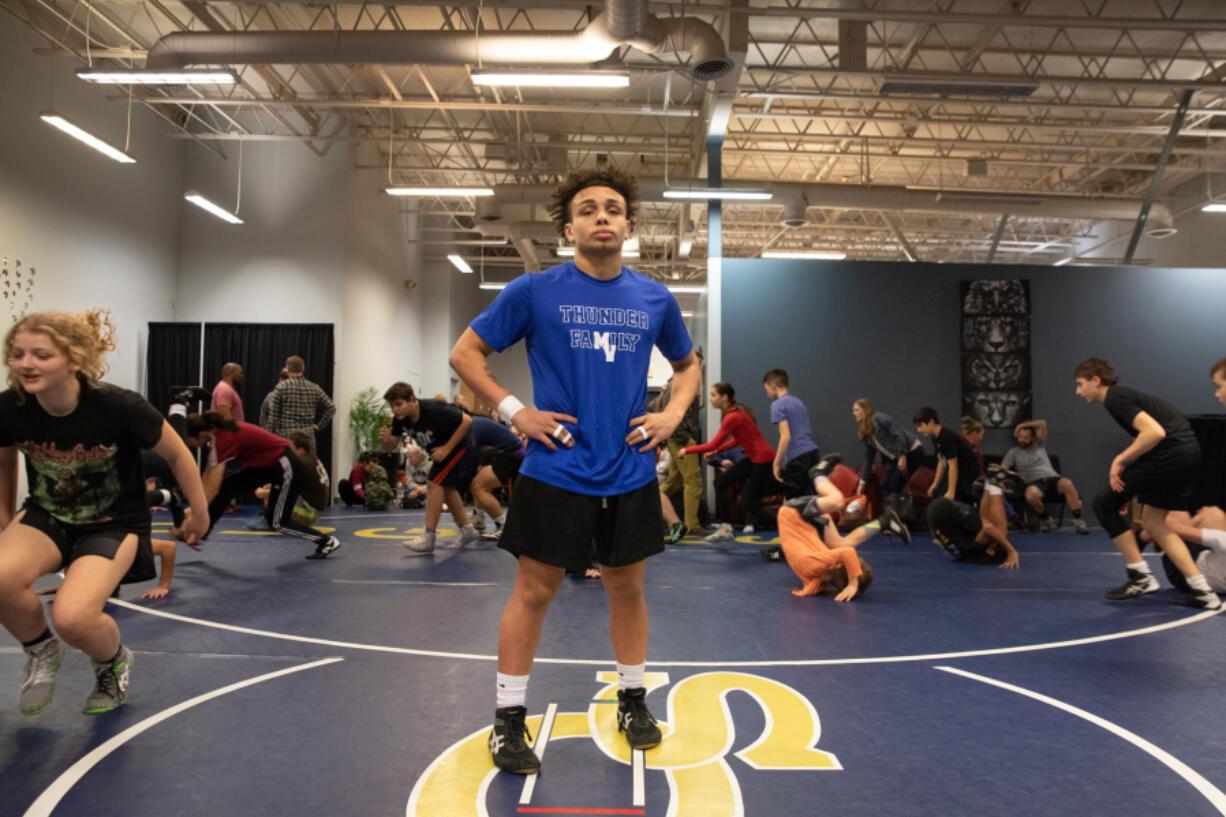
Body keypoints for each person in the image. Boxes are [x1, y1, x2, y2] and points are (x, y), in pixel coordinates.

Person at [449, 166, 700, 775]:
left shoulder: (654, 297)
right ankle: (509, 719)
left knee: (627, 589)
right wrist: (515, 412)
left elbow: (688, 366)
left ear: (629, 227)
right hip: (555, 469)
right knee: (534, 592)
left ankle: (633, 702)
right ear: (569, 229)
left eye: (613, 208)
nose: (602, 217)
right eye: (588, 209)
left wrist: (670, 415)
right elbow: (465, 354)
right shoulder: (536, 291)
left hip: (629, 471)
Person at [0, 310, 209, 716]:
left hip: (113, 523)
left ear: (75, 360)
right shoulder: (11, 407)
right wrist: (5, 515)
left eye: (41, 355)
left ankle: (111, 662)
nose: (26, 364)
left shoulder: (119, 406)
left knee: (74, 618)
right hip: (47, 514)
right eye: (17, 353)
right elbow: (4, 459)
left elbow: (178, 454)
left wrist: (199, 514)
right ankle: (40, 649)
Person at [1075, 357, 1220, 609]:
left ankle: (1140, 576)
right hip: (1188, 455)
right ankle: (1203, 591)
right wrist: (1131, 487)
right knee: (1154, 523)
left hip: (1171, 455)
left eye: (1080, 384)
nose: (1078, 391)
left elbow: (1154, 433)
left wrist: (1120, 460)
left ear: (1095, 381)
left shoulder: (1115, 398)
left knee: (1103, 504)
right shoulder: (1125, 396)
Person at [185, 411, 341, 560]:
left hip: (284, 464)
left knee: (278, 522)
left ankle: (326, 541)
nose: (189, 445)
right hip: (269, 465)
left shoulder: (222, 438)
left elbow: (212, 486)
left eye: (189, 441)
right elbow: (207, 476)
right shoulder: (216, 437)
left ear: (200, 435)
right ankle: (203, 533)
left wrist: (195, 510)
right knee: (228, 488)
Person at [382, 382, 481, 552]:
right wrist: (385, 441)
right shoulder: (399, 420)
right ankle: (467, 529)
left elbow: (467, 421)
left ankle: (428, 537)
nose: (395, 410)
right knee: (447, 488)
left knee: (433, 483)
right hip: (441, 451)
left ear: (412, 399)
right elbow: (391, 447)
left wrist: (446, 448)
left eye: (399, 404)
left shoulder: (434, 408)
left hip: (461, 446)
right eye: (392, 406)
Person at [683, 382, 775, 534]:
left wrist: (687, 450)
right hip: (754, 458)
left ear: (724, 397)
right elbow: (737, 440)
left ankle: (785, 523)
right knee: (720, 482)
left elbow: (712, 444)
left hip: (763, 460)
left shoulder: (733, 416)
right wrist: (717, 451)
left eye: (713, 395)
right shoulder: (734, 413)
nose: (711, 399)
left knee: (752, 504)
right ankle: (726, 524)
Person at [1002, 419, 1090, 534]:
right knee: (1030, 496)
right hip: (1034, 483)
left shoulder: (1039, 445)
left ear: (1033, 438)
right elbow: (1003, 469)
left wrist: (1021, 425)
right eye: (1020, 437)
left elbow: (1042, 423)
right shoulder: (1013, 452)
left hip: (1052, 479)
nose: (1022, 440)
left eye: (1025, 437)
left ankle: (1079, 521)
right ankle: (1047, 520)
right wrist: (1002, 482)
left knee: (1067, 483)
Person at [655, 367, 704, 537]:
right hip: (681, 439)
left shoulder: (676, 384)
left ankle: (647, 513)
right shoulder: (678, 384)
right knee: (693, 482)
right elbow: (673, 415)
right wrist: (685, 439)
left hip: (677, 438)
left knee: (673, 482)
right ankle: (692, 526)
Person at [926, 484, 1021, 569]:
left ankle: (993, 486)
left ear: (990, 551)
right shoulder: (970, 556)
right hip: (932, 517)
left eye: (995, 543)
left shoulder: (977, 548)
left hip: (942, 511)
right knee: (983, 525)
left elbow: (989, 528)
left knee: (998, 531)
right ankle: (990, 486)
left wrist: (1011, 551)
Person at [853, 398, 925, 507]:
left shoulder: (878, 418)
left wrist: (902, 455)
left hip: (913, 451)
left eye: (856, 410)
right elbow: (868, 457)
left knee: (894, 486)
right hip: (897, 458)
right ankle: (890, 517)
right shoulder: (866, 432)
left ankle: (896, 519)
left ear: (865, 409)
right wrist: (862, 481)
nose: (854, 413)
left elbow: (898, 434)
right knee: (885, 486)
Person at [763, 369, 822, 497]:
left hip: (798, 457)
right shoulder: (799, 403)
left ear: (772, 385)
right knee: (813, 500)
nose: (766, 392)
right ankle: (829, 518)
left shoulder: (777, 405)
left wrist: (776, 463)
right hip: (813, 453)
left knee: (792, 503)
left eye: (766, 388)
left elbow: (786, 437)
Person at [468, 416, 526, 539]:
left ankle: (503, 526)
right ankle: (478, 517)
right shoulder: (469, 423)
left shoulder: (468, 428)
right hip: (500, 453)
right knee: (477, 479)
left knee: (478, 487)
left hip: (511, 454)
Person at [268, 355, 335, 449]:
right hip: (307, 437)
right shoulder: (314, 387)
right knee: (308, 463)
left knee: (287, 463)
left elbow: (273, 418)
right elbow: (331, 407)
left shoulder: (281, 387)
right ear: (303, 369)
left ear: (287, 369)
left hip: (286, 437)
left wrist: (269, 438)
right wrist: (320, 426)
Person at [914, 407, 978, 504]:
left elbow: (953, 466)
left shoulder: (946, 437)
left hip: (968, 469)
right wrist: (935, 484)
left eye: (920, 425)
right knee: (937, 494)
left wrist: (951, 492)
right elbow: (941, 462)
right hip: (956, 468)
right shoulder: (935, 439)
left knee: (949, 496)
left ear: (931, 422)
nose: (918, 429)